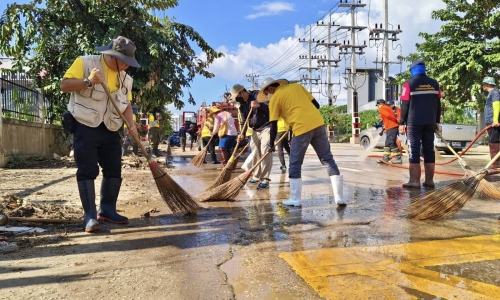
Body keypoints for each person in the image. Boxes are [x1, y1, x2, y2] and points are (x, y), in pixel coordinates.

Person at [60, 36, 140, 233]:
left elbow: (127, 104)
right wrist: (88, 81)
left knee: (114, 169)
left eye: (129, 63)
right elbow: (64, 85)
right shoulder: (86, 63)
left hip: (111, 127)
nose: (126, 67)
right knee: (87, 170)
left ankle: (108, 210)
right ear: (111, 56)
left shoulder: (126, 79)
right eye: (124, 62)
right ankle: (90, 217)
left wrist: (132, 124)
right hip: (85, 125)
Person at [264, 80, 345, 207]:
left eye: (266, 92)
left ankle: (295, 199)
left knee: (295, 163)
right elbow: (316, 105)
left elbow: (273, 124)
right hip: (318, 124)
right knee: (327, 159)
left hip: (301, 128)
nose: (267, 95)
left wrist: (271, 144)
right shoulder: (297, 86)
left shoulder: (275, 99)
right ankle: (339, 198)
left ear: (270, 89)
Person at [230, 78, 284, 190]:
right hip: (255, 129)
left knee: (265, 152)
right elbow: (244, 121)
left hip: (267, 127)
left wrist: (260, 105)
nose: (237, 100)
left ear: (242, 92)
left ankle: (265, 180)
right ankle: (256, 175)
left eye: (237, 97)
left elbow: (272, 108)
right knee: (255, 152)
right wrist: (242, 133)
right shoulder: (242, 105)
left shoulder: (259, 95)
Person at [399, 59, 441, 189]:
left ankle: (414, 181)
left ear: (412, 70)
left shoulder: (409, 84)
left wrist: (402, 122)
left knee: (414, 150)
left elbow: (405, 104)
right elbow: (438, 103)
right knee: (429, 150)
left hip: (414, 122)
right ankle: (429, 181)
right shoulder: (434, 84)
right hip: (430, 122)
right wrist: (436, 121)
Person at [482, 76, 500, 169]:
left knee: (494, 141)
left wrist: (495, 120)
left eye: (484, 84)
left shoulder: (495, 92)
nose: (482, 85)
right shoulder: (492, 93)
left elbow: (496, 105)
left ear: (488, 84)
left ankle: (495, 165)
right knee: (493, 140)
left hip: (494, 122)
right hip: (490, 123)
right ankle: (495, 164)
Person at [376, 99, 401, 164]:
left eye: (377, 105)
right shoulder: (387, 108)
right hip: (390, 127)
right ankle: (386, 158)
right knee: (387, 143)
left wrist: (394, 120)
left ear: (379, 105)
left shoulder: (382, 108)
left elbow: (388, 115)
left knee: (391, 142)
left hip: (391, 126)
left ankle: (398, 158)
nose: (377, 107)